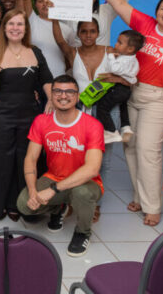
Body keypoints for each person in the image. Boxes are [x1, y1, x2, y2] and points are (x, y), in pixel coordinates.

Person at [83, 0, 163, 226]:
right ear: (156, 12)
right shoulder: (145, 25)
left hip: (159, 98)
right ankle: (139, 196)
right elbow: (119, 2)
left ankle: (152, 206)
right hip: (132, 92)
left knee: (148, 151)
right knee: (131, 148)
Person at [0, 9, 53, 221]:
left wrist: (51, 98)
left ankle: (20, 204)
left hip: (30, 116)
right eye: (11, 24)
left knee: (25, 161)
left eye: (20, 24)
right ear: (4, 28)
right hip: (1, 117)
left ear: (26, 28)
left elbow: (47, 79)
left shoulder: (35, 52)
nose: (15, 28)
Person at [16, 75, 104, 257]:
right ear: (52, 95)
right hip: (54, 177)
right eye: (58, 91)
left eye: (69, 91)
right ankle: (60, 208)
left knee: (82, 193)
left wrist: (53, 190)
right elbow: (30, 158)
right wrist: (32, 190)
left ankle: (83, 232)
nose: (63, 96)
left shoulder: (92, 125)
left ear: (77, 96)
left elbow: (92, 169)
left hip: (86, 182)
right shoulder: (41, 121)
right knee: (24, 205)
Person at [17, 0, 73, 78]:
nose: (45, 3)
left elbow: (71, 56)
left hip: (58, 80)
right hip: (34, 80)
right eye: (40, 1)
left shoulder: (67, 29)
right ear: (35, 4)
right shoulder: (32, 20)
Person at [92, 30, 144, 143]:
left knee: (102, 107)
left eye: (120, 43)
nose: (116, 44)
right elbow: (133, 77)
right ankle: (126, 127)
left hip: (118, 88)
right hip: (126, 90)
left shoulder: (124, 60)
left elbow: (114, 69)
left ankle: (111, 131)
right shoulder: (134, 61)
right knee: (123, 106)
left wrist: (110, 56)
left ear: (130, 49)